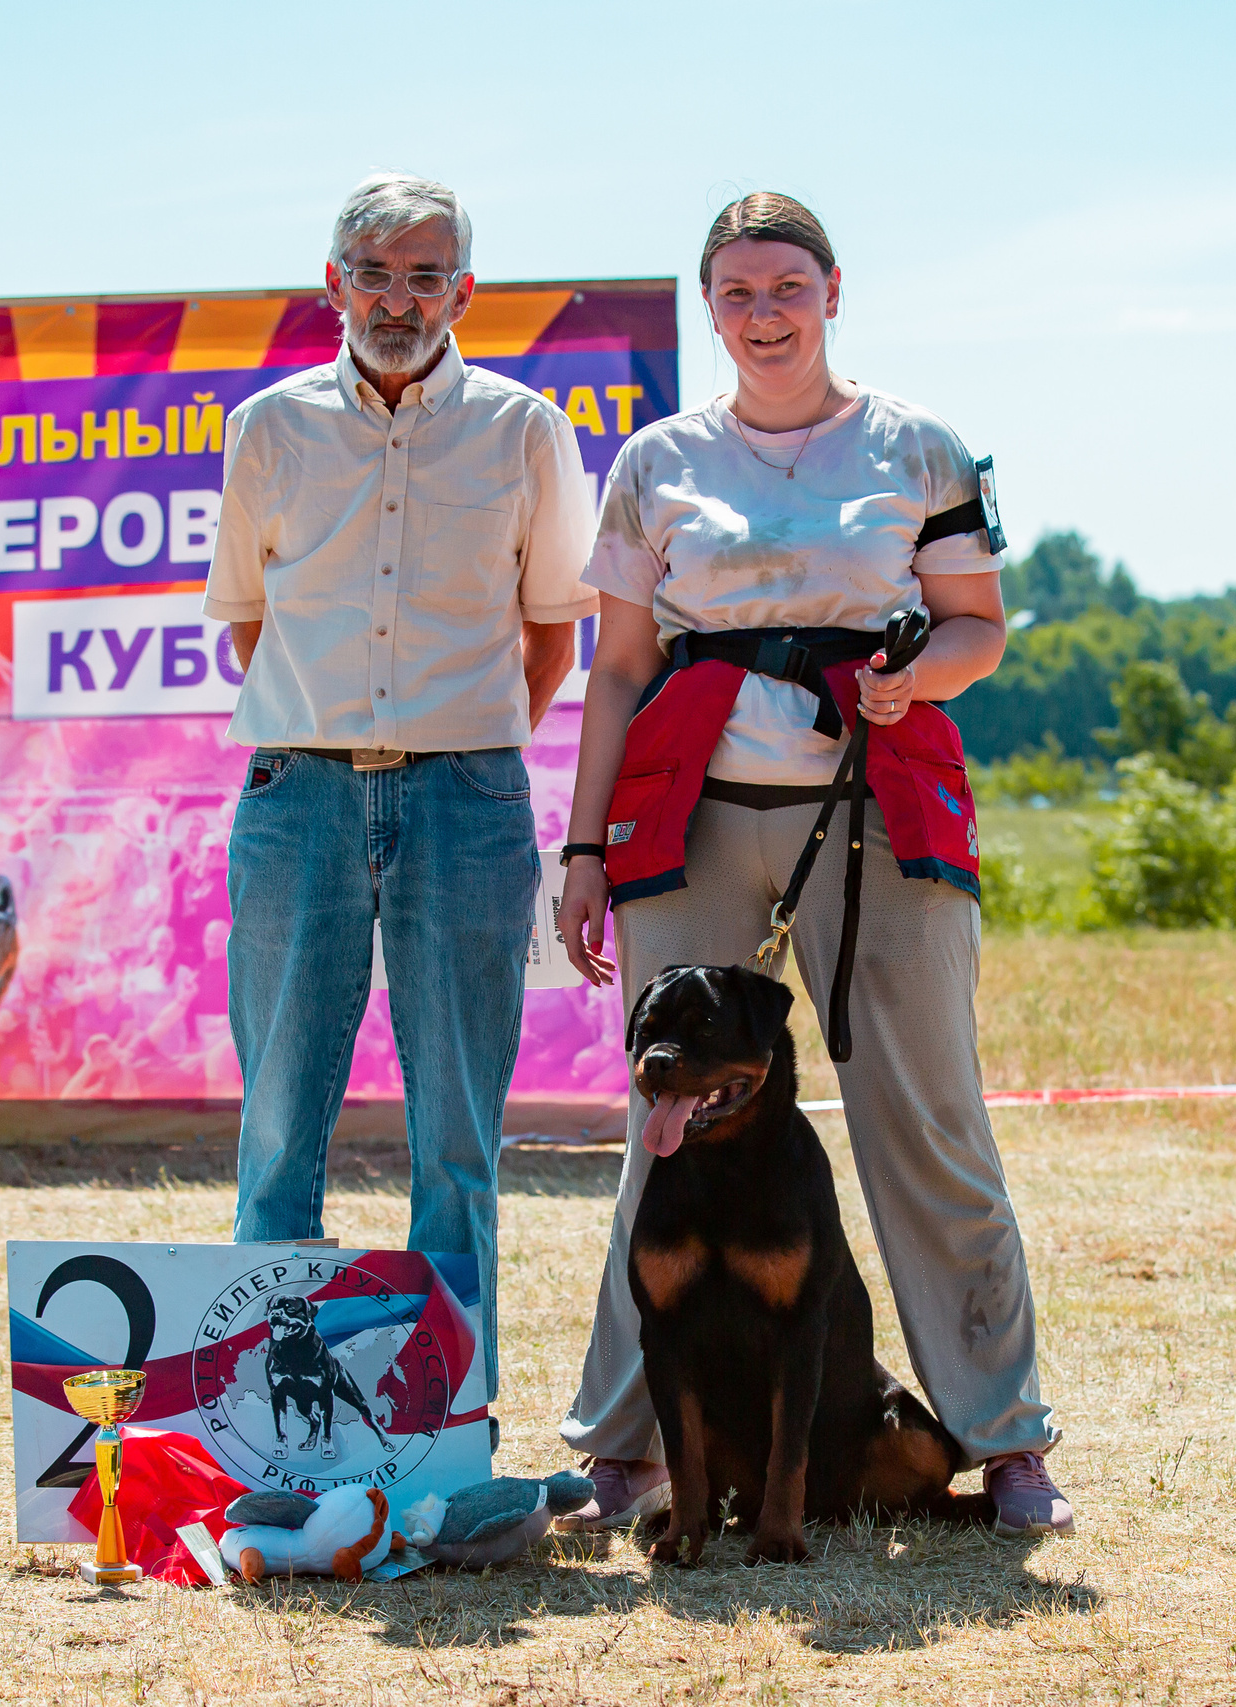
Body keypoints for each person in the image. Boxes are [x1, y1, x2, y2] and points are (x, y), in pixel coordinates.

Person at [551, 192, 1071, 1537]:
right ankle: (628, 1445)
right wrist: (583, 844)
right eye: (737, 292)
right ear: (709, 307)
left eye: (788, 285)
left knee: (929, 1121)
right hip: (690, 815)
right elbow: (618, 669)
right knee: (660, 1125)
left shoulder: (917, 444)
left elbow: (977, 629)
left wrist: (914, 683)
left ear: (833, 291)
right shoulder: (655, 459)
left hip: (873, 803)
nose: (765, 311)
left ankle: (1005, 1436)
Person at [207, 173, 597, 1423]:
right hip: (298, 795)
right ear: (333, 283)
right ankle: (269, 1426)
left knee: (461, 1141)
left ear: (464, 292)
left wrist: (457, 752)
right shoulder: (267, 429)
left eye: (427, 275)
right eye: (374, 272)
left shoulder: (524, 431)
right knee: (276, 1129)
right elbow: (252, 628)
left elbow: (550, 639)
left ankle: (447, 1429)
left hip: (466, 804)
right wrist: (341, 738)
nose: (398, 298)